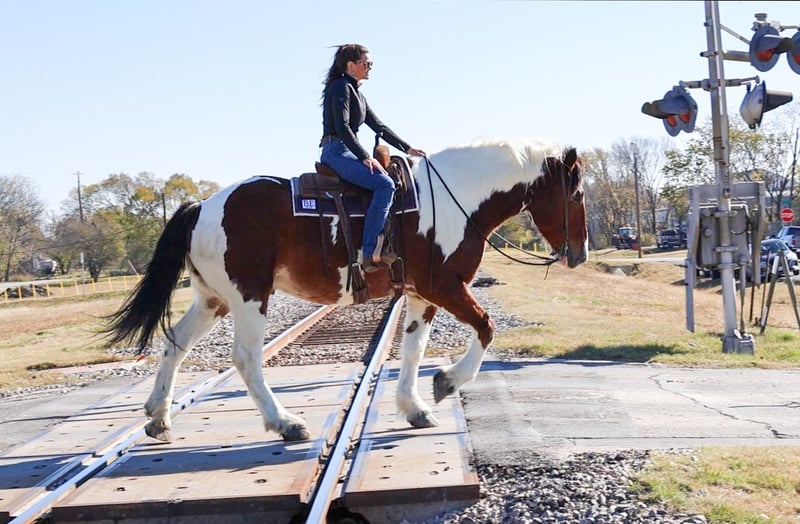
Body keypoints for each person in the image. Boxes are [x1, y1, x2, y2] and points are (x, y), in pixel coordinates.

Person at [319, 43, 425, 272]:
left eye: (371, 64)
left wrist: (408, 149)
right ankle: (370, 252)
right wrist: (365, 156)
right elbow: (343, 127)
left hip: (347, 149)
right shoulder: (340, 87)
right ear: (351, 65)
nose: (370, 68)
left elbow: (379, 127)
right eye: (366, 63)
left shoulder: (358, 94)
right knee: (385, 184)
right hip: (336, 151)